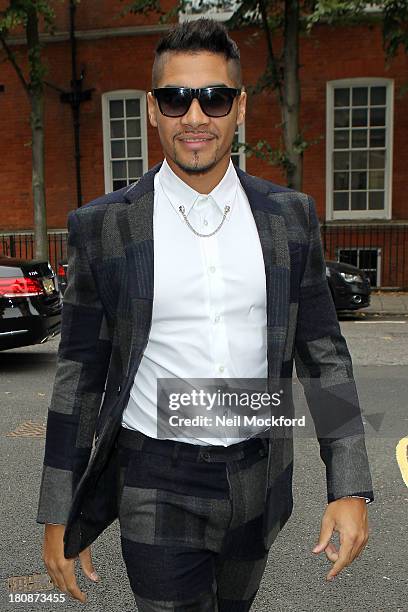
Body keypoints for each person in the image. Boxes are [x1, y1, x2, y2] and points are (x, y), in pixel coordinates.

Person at [37, 17, 374, 611]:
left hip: (256, 472)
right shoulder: (106, 227)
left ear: (240, 107)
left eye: (214, 97)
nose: (195, 117)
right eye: (176, 98)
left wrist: (348, 483)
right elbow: (78, 378)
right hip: (153, 474)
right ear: (152, 109)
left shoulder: (289, 217)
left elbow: (325, 357)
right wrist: (57, 508)